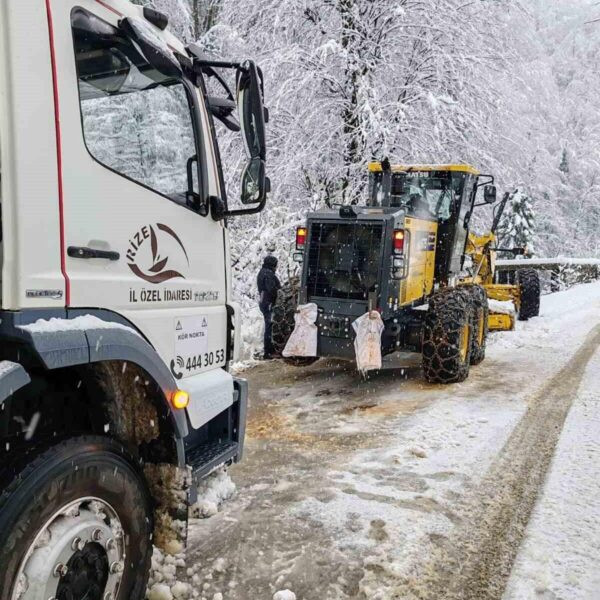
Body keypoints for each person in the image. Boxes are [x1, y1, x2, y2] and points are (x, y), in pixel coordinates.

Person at [257, 255, 281, 359]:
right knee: (269, 326)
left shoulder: (263, 272)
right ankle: (269, 352)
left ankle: (269, 350)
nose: (276, 267)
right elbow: (272, 289)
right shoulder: (268, 274)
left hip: (264, 301)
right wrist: (279, 293)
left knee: (269, 325)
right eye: (275, 265)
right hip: (268, 302)